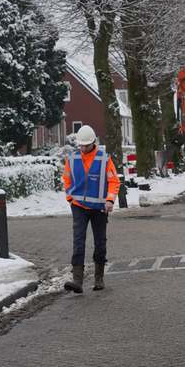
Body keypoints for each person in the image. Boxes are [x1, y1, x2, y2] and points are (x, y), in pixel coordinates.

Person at [62, 125, 119, 293]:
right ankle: (77, 280)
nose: (83, 148)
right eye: (80, 145)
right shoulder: (72, 159)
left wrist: (109, 200)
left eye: (86, 145)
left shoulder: (104, 159)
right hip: (78, 206)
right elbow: (66, 179)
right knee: (78, 241)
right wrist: (70, 198)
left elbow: (114, 181)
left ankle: (99, 278)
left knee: (100, 242)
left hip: (100, 207)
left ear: (93, 143)